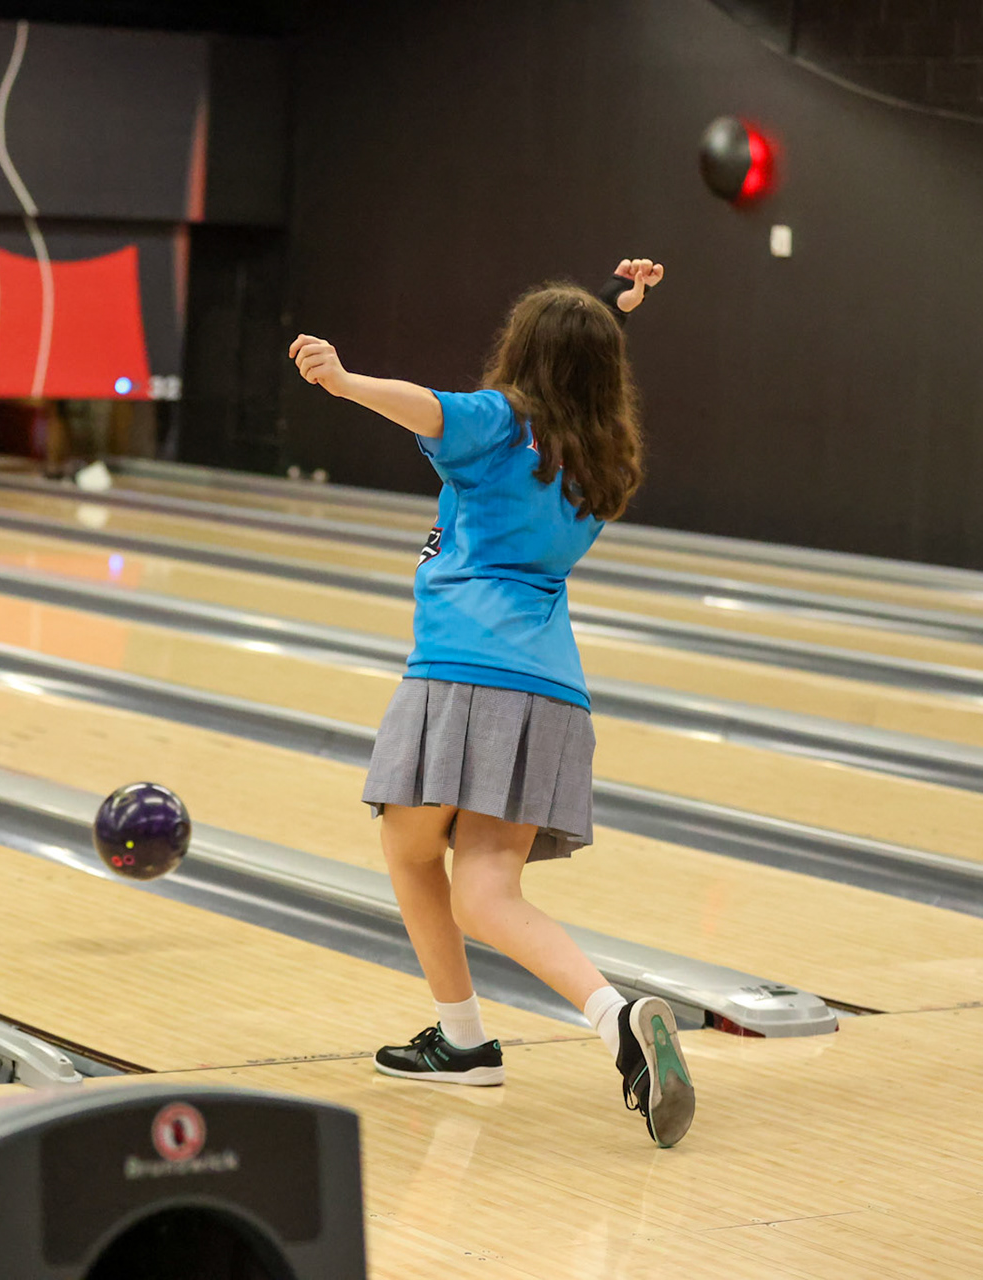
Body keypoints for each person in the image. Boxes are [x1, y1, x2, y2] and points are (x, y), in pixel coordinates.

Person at [286, 259, 694, 1148]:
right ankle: (615, 1018)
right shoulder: (597, 454)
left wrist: (344, 381)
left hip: (460, 671)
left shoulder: (498, 421)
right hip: (552, 690)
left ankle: (465, 1038)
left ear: (521, 357)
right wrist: (615, 315)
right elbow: (578, 373)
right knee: (485, 888)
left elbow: (428, 406)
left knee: (405, 845)